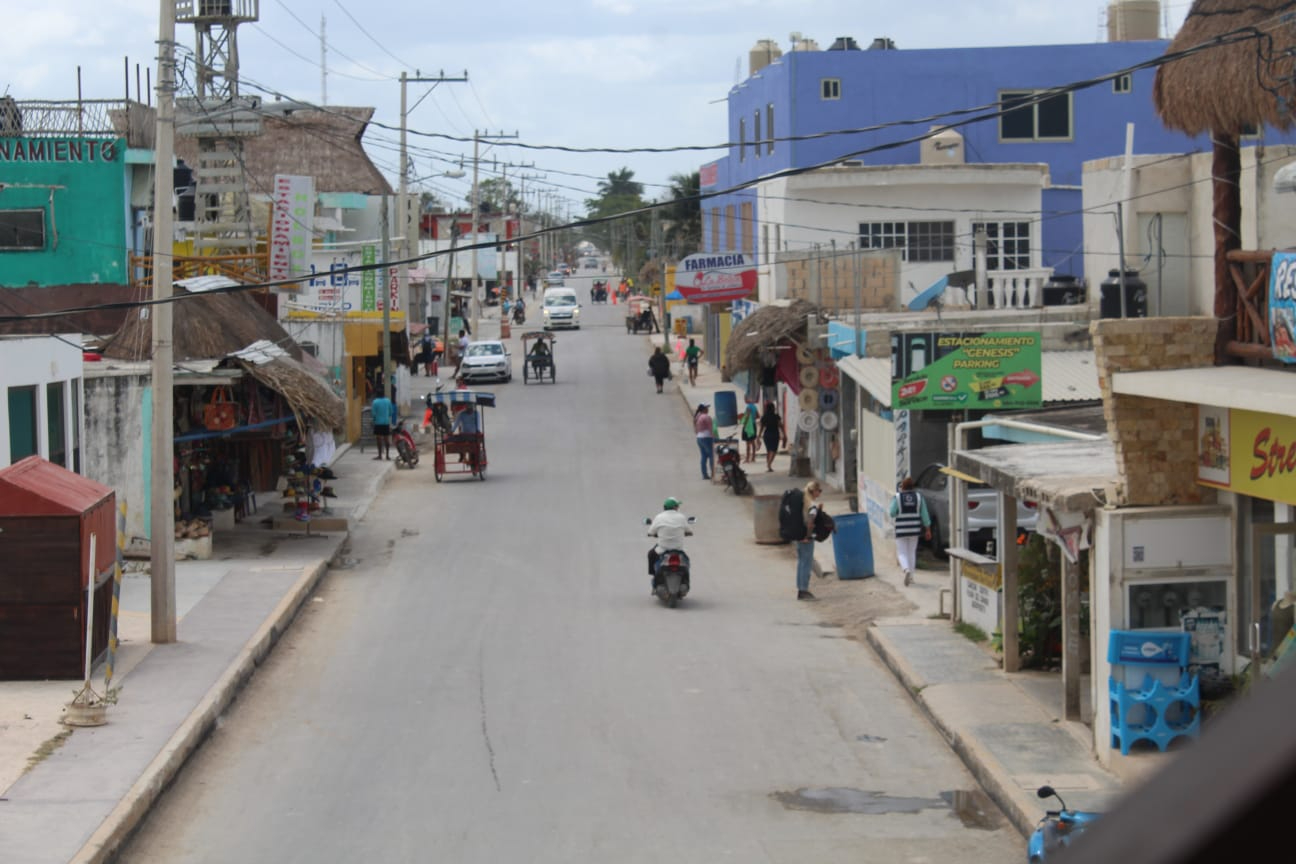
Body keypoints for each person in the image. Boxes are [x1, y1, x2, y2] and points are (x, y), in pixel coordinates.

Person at [890, 476, 932, 586]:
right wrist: (928, 529)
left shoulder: (897, 497)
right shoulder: (919, 497)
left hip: (901, 529)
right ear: (912, 487)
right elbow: (925, 515)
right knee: (911, 552)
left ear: (902, 487)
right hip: (914, 529)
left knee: (901, 552)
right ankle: (912, 577)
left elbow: (892, 512)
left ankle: (906, 570)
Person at [647, 496, 690, 595]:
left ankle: (654, 578)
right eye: (677, 506)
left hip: (662, 549)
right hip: (679, 549)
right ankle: (686, 582)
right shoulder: (681, 517)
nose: (678, 508)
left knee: (651, 554)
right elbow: (689, 531)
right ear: (674, 507)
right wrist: (686, 532)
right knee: (687, 562)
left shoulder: (659, 517)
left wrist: (652, 534)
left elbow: (650, 532)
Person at [796, 481, 824, 600]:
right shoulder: (812, 505)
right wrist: (807, 536)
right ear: (814, 491)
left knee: (802, 562)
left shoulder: (803, 502)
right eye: (819, 490)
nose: (820, 493)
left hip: (799, 535)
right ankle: (803, 590)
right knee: (806, 563)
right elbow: (810, 522)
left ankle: (801, 588)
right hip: (806, 537)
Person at [760, 401, 785, 472]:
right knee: (773, 450)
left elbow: (762, 427)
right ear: (773, 408)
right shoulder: (776, 417)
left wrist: (758, 436)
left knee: (768, 450)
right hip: (775, 434)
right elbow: (781, 426)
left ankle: (769, 466)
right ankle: (769, 464)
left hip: (767, 435)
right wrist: (784, 434)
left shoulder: (764, 417)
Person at [370, 392, 395, 461]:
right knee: (386, 439)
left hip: (378, 423)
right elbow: (390, 412)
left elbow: (373, 414)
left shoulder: (375, 402)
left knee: (379, 439)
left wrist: (374, 420)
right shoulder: (388, 401)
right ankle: (387, 455)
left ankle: (380, 455)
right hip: (386, 422)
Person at [694, 403, 715, 480]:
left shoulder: (697, 417)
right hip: (707, 438)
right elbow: (710, 429)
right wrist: (714, 438)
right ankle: (713, 473)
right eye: (706, 408)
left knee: (704, 456)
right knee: (711, 456)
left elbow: (696, 428)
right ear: (703, 409)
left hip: (699, 437)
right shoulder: (706, 417)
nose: (708, 409)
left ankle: (704, 474)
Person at [740, 395, 759, 463]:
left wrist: (744, 424)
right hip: (754, 425)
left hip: (748, 426)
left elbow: (747, 416)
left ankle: (747, 458)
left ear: (748, 399)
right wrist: (752, 419)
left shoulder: (748, 407)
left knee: (748, 443)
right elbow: (758, 416)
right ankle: (753, 457)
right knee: (753, 442)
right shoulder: (754, 406)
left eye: (745, 398)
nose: (744, 400)